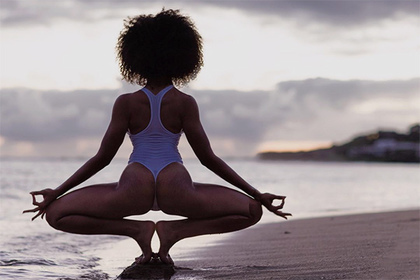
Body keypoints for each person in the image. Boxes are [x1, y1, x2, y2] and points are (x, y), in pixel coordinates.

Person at [24, 9, 291, 265]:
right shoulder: (185, 103)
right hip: (176, 183)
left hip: (134, 185)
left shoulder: (126, 103)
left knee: (56, 215)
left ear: (134, 56)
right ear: (184, 56)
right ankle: (174, 232)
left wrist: (57, 192)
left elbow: (102, 158)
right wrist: (257, 194)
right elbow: (208, 159)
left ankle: (136, 230)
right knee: (252, 210)